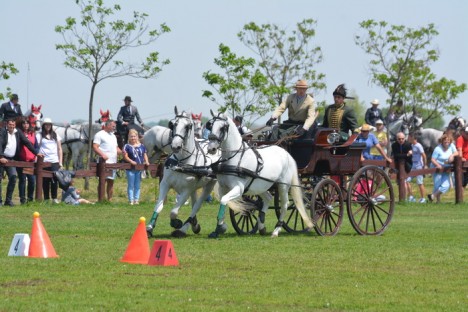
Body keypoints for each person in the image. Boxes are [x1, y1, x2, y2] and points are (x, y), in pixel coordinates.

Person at [0, 119, 39, 206]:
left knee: (13, 177)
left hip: (11, 159)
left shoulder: (18, 132)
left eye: (13, 125)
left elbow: (27, 142)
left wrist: (36, 153)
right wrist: (1, 156)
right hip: (1, 157)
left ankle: (8, 200)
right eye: (10, 125)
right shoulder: (2, 131)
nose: (12, 126)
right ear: (7, 124)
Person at [37, 118, 63, 203]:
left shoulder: (55, 135)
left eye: (49, 124)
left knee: (54, 179)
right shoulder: (39, 135)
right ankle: (46, 199)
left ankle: (54, 198)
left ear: (51, 125)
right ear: (43, 125)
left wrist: (60, 162)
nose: (48, 126)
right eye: (46, 124)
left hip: (54, 161)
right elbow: (37, 148)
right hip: (44, 161)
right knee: (45, 180)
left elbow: (59, 149)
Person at [93, 119, 120, 201]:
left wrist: (123, 152)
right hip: (103, 163)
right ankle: (101, 199)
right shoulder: (99, 134)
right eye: (113, 126)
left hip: (113, 162)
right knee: (102, 181)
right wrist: (102, 155)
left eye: (115, 126)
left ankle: (110, 200)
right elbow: (95, 147)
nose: (114, 128)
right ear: (107, 125)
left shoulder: (113, 135)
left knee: (111, 181)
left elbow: (116, 148)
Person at [427, 133, 458, 203]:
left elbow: (457, 153)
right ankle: (438, 201)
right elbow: (432, 159)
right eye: (445, 141)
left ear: (450, 141)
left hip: (446, 168)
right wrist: (438, 165)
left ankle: (432, 196)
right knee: (437, 184)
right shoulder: (437, 149)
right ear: (442, 141)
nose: (447, 142)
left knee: (446, 186)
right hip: (437, 168)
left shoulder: (451, 146)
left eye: (448, 141)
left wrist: (452, 156)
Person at [122, 129, 149, 205]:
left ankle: (136, 200)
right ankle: (131, 200)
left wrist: (146, 161)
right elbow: (125, 156)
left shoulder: (142, 146)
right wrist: (131, 161)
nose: (133, 138)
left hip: (139, 169)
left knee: (137, 185)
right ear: (129, 137)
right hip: (130, 169)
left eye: (134, 136)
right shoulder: (126, 146)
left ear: (137, 137)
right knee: (131, 185)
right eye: (131, 136)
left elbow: (144, 154)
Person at [17, 118, 39, 204]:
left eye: (27, 123)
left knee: (32, 180)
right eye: (24, 123)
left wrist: (36, 154)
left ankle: (30, 199)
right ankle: (22, 199)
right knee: (22, 180)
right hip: (21, 160)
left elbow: (36, 146)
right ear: (21, 125)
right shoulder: (19, 134)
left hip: (31, 161)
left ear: (29, 124)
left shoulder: (32, 134)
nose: (25, 125)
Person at [406, 132, 427, 203]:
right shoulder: (412, 145)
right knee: (407, 180)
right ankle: (411, 196)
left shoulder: (418, 145)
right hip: (413, 166)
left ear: (412, 137)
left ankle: (423, 198)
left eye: (409, 137)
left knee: (420, 182)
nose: (408, 138)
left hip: (419, 166)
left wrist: (424, 165)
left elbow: (423, 155)